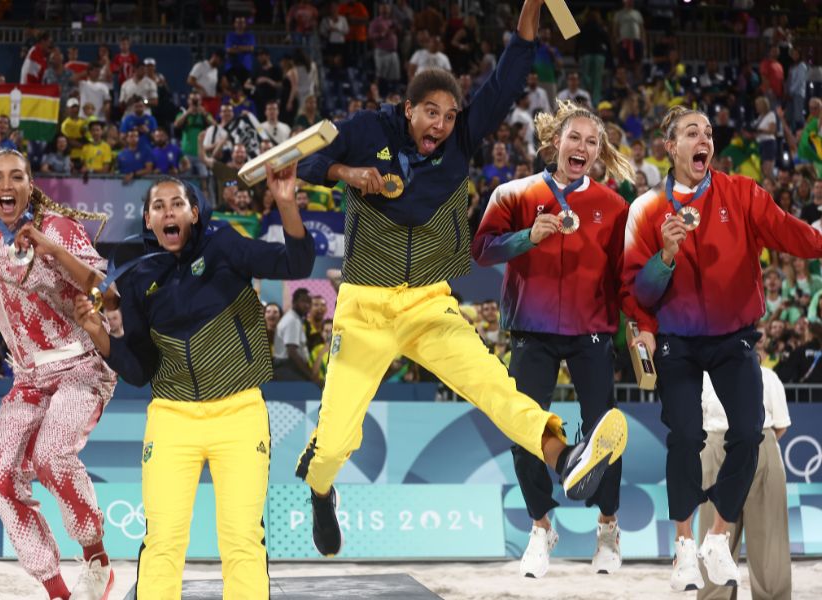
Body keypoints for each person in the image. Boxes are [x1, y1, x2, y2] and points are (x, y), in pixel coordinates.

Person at [293, 0, 627, 558]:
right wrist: (346, 172)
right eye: (431, 114)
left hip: (429, 304)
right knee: (333, 443)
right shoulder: (366, 129)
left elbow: (511, 70)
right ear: (407, 110)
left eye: (449, 116)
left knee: (499, 389)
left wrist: (530, 7)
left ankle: (564, 456)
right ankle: (322, 490)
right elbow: (302, 161)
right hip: (365, 308)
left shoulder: (460, 143)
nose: (441, 126)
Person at [72, 165, 313, 598]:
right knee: (163, 541)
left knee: (242, 540)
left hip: (240, 414)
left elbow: (296, 261)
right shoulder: (140, 277)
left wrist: (285, 200)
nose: (168, 212)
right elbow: (141, 369)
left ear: (194, 212)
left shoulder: (224, 246)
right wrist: (97, 334)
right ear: (148, 220)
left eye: (177, 204)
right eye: (158, 206)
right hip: (172, 418)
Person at [622, 104, 822, 592]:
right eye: (692, 132)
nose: (704, 139)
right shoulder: (646, 209)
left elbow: (794, 236)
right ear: (671, 147)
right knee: (686, 437)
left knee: (749, 434)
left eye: (709, 132)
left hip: (734, 338)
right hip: (676, 341)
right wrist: (664, 257)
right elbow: (635, 293)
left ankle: (717, 535)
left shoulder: (742, 193)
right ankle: (685, 546)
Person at [473, 99, 636, 577]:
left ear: (598, 153)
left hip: (592, 331)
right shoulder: (514, 193)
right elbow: (481, 250)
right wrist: (527, 237)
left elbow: (626, 276)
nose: (581, 146)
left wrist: (638, 329)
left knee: (604, 434)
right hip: (531, 329)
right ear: (555, 142)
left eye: (592, 141)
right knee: (524, 430)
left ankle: (608, 527)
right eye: (574, 138)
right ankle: (541, 526)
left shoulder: (614, 206)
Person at [0, 149, 117, 600]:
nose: (6, 185)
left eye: (17, 177)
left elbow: (103, 289)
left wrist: (50, 251)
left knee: (52, 457)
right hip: (27, 378)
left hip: (79, 364)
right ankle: (56, 590)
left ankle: (97, 562)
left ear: (31, 184)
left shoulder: (57, 228)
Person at [698, 364, 791, 600]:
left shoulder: (768, 376)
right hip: (717, 444)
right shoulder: (703, 378)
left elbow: (780, 425)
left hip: (759, 444)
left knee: (769, 537)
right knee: (714, 538)